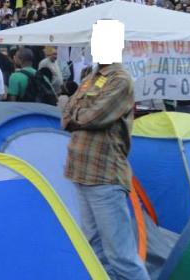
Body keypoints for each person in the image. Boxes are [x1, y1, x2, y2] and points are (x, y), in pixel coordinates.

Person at [61, 21, 149, 280]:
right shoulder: (91, 77)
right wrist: (76, 113)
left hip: (104, 175)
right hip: (81, 172)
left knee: (120, 256)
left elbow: (91, 117)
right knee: (95, 251)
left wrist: (76, 113)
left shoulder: (120, 80)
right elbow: (66, 114)